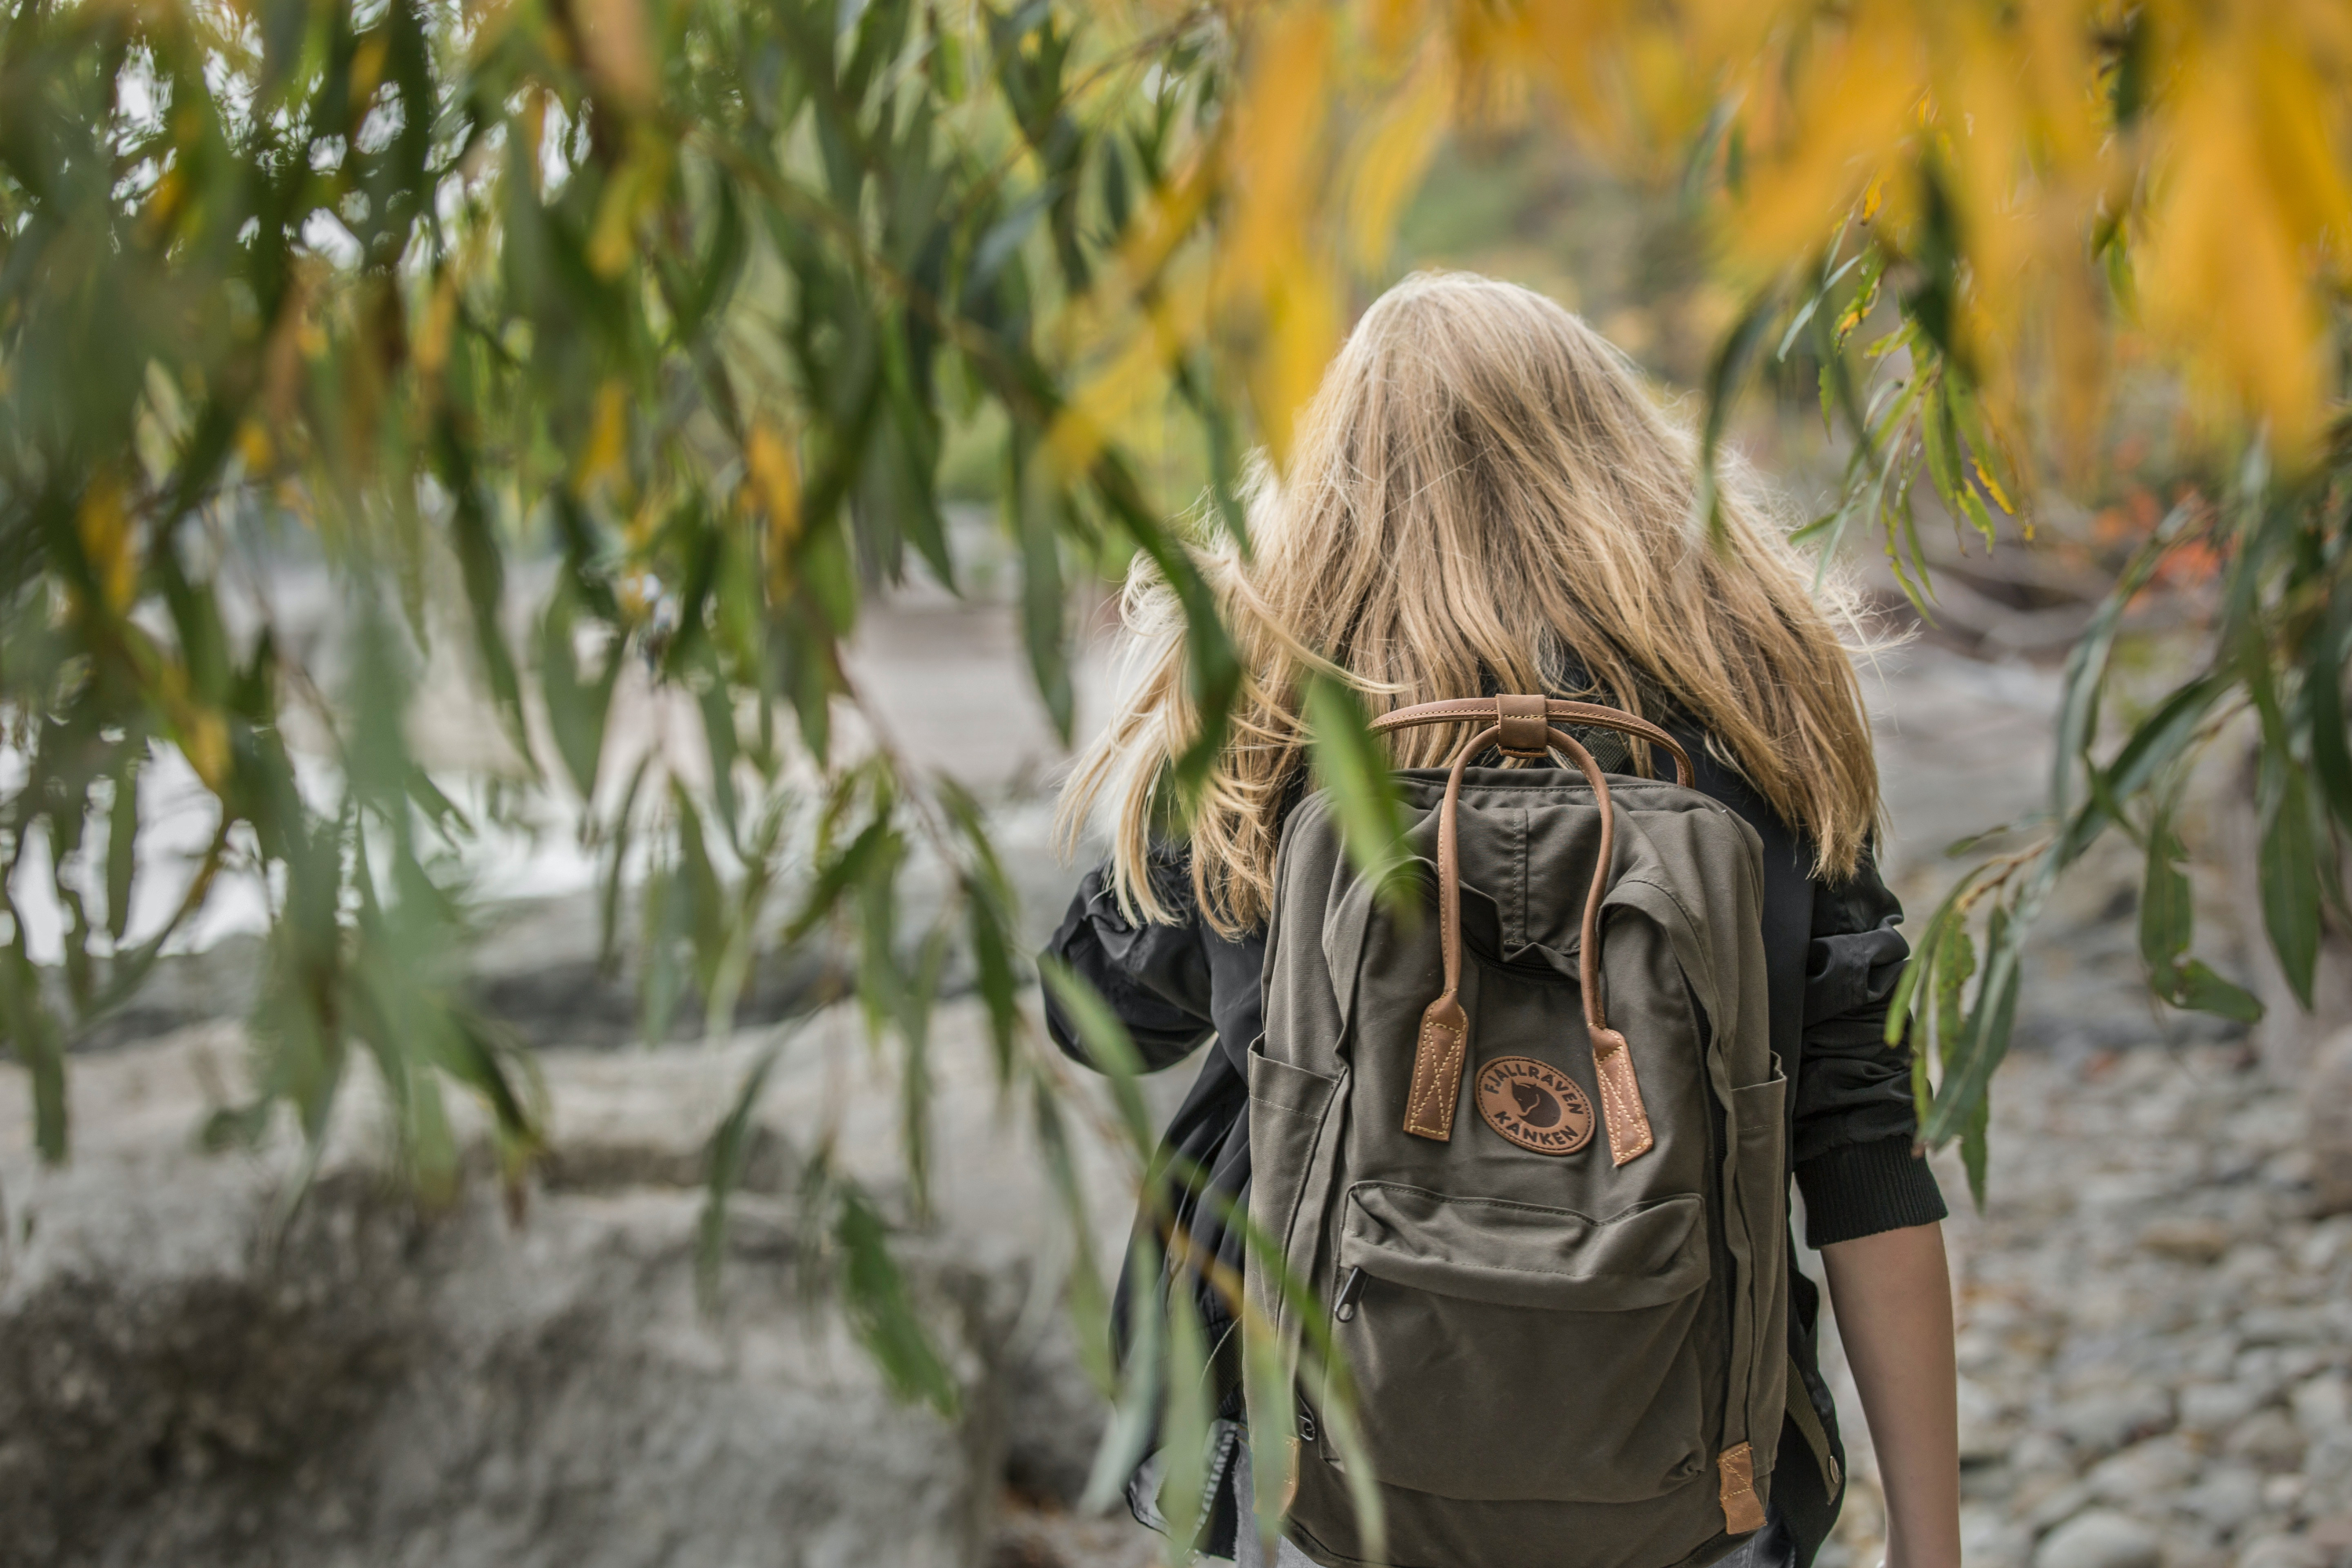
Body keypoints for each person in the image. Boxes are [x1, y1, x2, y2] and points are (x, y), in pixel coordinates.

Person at [1042, 272, 1961, 1568]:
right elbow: (1865, 1155)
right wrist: (1935, 1551)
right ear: (1622, 456)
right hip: (1691, 1462)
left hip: (1314, 1478)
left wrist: (1187, 723)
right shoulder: (1760, 714)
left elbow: (1104, 1021)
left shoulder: (1271, 721)